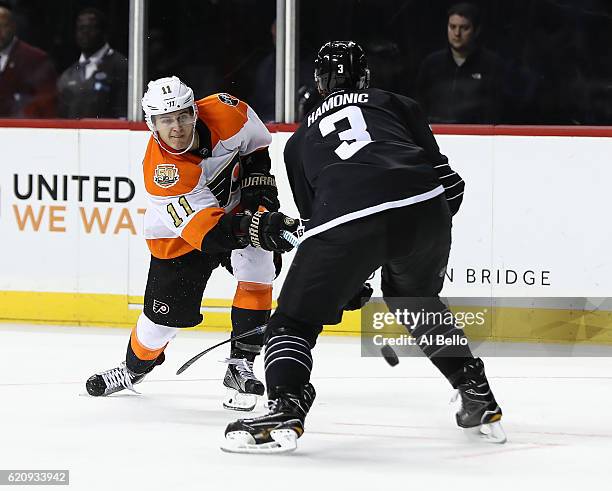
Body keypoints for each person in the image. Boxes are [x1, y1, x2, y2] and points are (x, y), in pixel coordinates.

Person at [222, 41, 505, 453]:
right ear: (365, 78)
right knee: (415, 301)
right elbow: (452, 186)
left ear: (318, 84)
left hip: (349, 220)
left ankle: (286, 405)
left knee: (292, 323)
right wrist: (409, 231)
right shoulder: (395, 103)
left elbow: (322, 225)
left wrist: (351, 281)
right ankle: (474, 389)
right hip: (426, 208)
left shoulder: (299, 143)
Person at [85, 76, 298, 411]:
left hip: (236, 212)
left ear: (195, 111)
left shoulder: (227, 112)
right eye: (166, 120)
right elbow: (210, 235)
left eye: (183, 115)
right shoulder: (162, 173)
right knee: (159, 326)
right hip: (181, 239)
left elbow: (256, 149)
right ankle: (133, 369)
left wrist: (260, 202)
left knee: (259, 269)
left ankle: (240, 365)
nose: (177, 127)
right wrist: (258, 225)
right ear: (151, 124)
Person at [415, 3, 505, 123]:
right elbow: (419, 105)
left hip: (477, 136)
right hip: (436, 133)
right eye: (452, 27)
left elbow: (497, 109)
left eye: (464, 28)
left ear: (477, 30)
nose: (457, 33)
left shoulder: (492, 64)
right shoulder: (432, 63)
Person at [57, 7, 127, 118]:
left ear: (104, 32)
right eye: (81, 28)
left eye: (90, 28)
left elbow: (124, 114)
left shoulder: (121, 66)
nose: (85, 33)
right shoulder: (68, 75)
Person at [0, 2, 57, 117]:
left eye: (2, 25)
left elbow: (47, 107)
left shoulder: (36, 58)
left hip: (22, 131)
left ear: (13, 26)